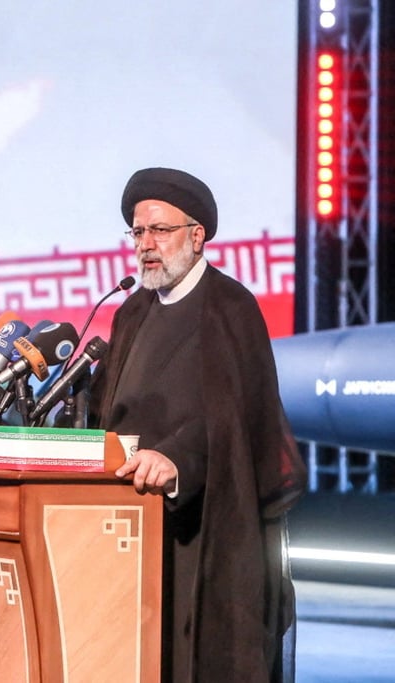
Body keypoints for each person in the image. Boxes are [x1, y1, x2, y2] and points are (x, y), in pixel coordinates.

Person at [88, 167, 307, 682]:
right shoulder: (131, 313)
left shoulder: (231, 307)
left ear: (196, 235)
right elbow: (100, 410)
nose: (146, 244)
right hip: (127, 527)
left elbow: (241, 418)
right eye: (138, 232)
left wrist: (177, 460)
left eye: (159, 230)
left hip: (208, 526)